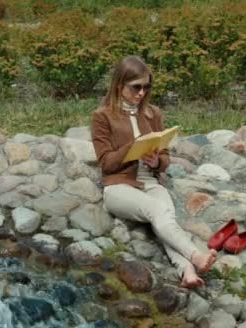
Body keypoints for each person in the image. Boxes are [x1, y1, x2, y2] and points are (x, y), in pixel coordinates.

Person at [91, 56, 217, 288]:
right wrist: (133, 148)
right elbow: (106, 163)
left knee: (165, 216)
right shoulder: (103, 116)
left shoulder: (153, 114)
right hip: (119, 186)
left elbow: (165, 159)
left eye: (146, 87)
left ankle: (187, 272)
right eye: (136, 87)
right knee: (159, 211)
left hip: (150, 182)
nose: (142, 93)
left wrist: (157, 160)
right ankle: (195, 256)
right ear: (120, 85)